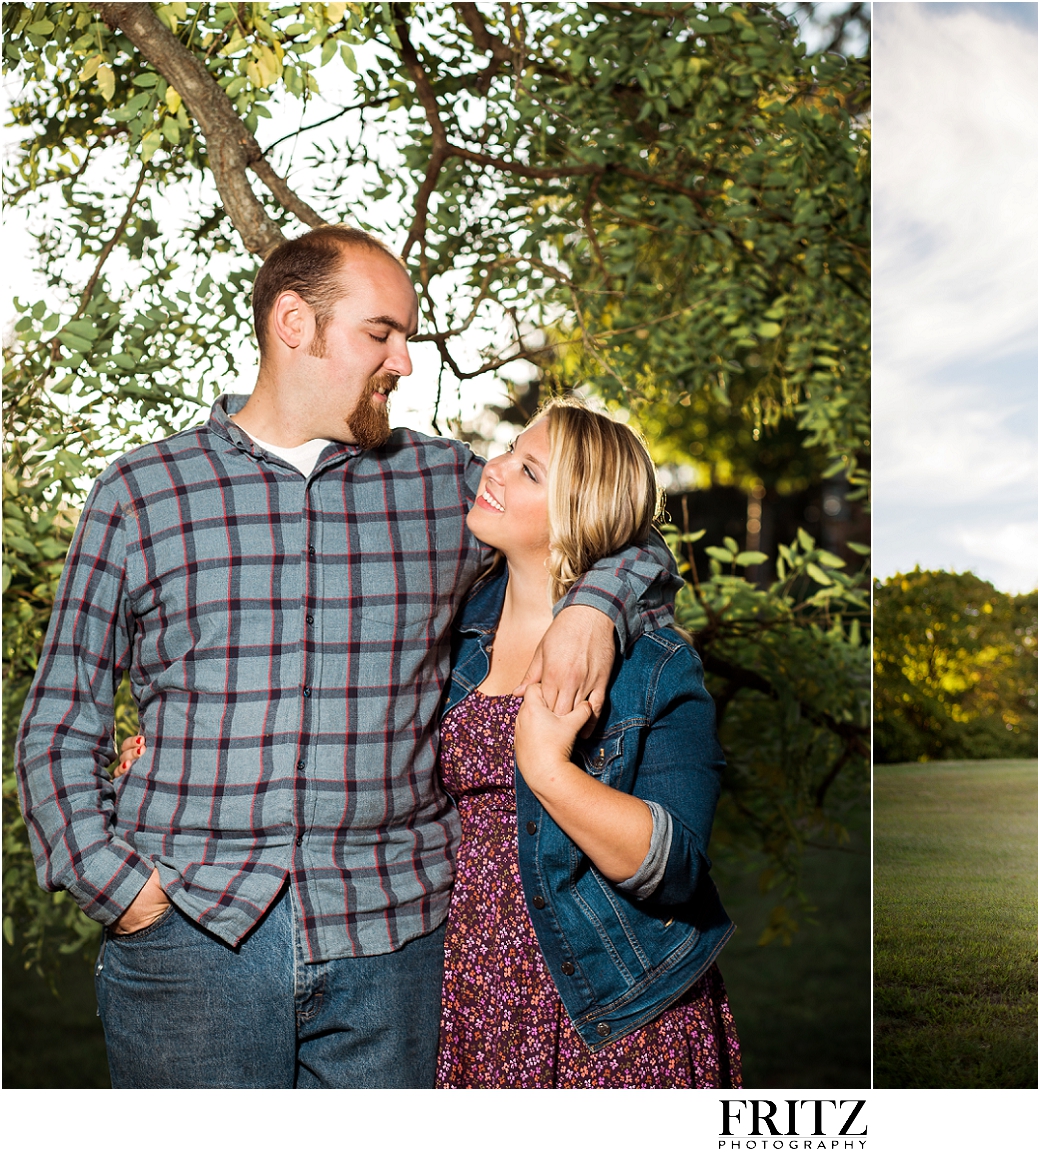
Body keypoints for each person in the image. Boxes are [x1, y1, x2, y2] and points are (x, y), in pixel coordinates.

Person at [15, 225, 679, 1088]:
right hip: (192, 941)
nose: (405, 361)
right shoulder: (142, 494)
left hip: (393, 944)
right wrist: (121, 889)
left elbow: (615, 523)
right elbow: (59, 723)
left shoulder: (442, 485)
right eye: (382, 333)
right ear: (295, 323)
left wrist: (594, 604)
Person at [431, 399, 738, 1088]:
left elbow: (676, 863)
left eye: (529, 471)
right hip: (467, 997)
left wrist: (547, 767)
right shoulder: (451, 637)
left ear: (577, 515)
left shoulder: (653, 664)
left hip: (612, 1003)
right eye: (510, 449)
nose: (497, 468)